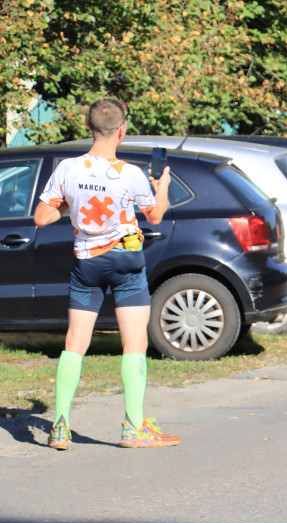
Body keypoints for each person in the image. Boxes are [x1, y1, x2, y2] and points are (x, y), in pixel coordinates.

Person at [33, 97, 179, 450]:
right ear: (121, 130)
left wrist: (69, 205)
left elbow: (41, 218)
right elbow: (156, 216)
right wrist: (163, 189)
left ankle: (60, 427)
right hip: (126, 262)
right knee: (134, 345)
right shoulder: (129, 173)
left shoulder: (68, 169)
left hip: (86, 264)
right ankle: (132, 428)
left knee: (74, 345)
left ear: (89, 127)